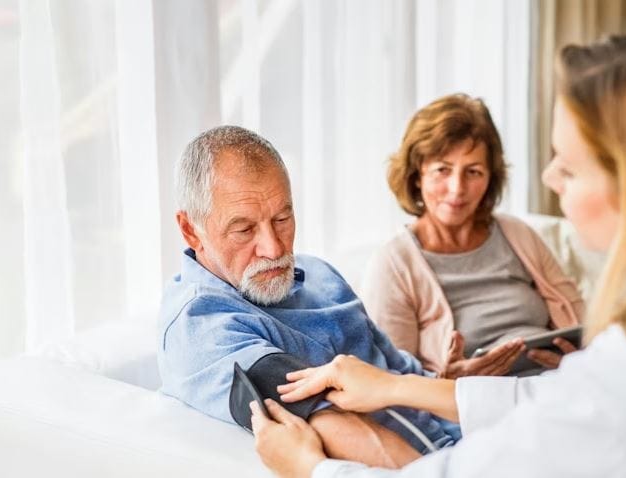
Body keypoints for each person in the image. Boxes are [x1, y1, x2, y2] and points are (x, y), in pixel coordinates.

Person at [250, 27, 626, 477]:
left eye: (570, 166)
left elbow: (583, 410)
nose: (549, 177)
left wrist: (310, 468)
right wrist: (402, 385)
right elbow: (563, 404)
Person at [157, 126, 464, 468]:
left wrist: (458, 388)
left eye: (282, 218)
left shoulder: (319, 273)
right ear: (190, 230)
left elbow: (398, 370)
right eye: (244, 229)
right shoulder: (202, 327)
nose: (274, 248)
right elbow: (333, 425)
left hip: (475, 440)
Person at [362, 93, 584, 378]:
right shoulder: (393, 263)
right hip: (468, 400)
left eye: (474, 172)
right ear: (417, 175)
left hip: (557, 383)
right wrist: (449, 382)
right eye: (442, 170)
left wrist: (577, 359)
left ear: (491, 178)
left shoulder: (517, 234)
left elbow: (585, 324)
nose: (457, 188)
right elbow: (389, 380)